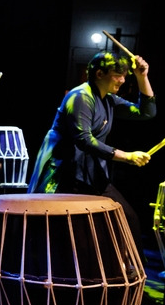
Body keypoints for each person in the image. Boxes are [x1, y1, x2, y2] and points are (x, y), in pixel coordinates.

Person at [27, 50, 156, 245]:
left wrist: (142, 77)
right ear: (100, 74)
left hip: (92, 174)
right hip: (65, 176)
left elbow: (146, 112)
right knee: (69, 232)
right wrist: (126, 156)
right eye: (117, 75)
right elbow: (84, 140)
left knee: (127, 219)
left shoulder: (108, 100)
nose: (122, 80)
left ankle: (125, 263)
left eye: (124, 75)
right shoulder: (80, 97)